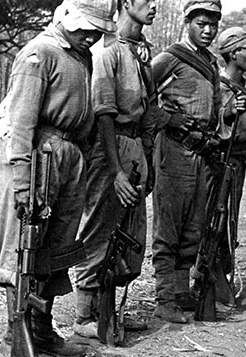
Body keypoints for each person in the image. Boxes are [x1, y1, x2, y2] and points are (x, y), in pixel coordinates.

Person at [0, 0, 116, 357]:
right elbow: (21, 123)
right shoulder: (39, 53)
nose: (91, 36)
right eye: (85, 27)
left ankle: (42, 329)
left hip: (69, 155)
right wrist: (24, 181)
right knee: (24, 248)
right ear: (66, 18)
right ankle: (16, 335)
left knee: (58, 247)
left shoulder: (82, 56)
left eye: (97, 30)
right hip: (39, 154)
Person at [73, 0, 157, 338]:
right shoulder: (107, 52)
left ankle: (109, 311)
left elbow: (149, 109)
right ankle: (83, 317)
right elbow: (104, 113)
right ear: (124, 3)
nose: (154, 7)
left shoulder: (142, 53)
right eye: (146, 0)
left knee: (130, 235)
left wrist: (146, 156)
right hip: (111, 148)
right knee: (98, 227)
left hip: (135, 148)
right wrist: (117, 169)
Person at [151, 0, 222, 323]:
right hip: (175, 151)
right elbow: (139, 98)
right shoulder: (171, 58)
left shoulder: (211, 64)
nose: (207, 30)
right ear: (187, 23)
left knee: (194, 227)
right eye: (201, 24)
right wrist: (168, 119)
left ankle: (181, 291)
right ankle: (164, 298)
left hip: (202, 153)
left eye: (213, 24)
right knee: (169, 225)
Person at [215, 26, 246, 301]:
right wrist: (229, 112)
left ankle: (223, 276)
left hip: (239, 161)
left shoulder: (245, 87)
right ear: (233, 53)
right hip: (222, 161)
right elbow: (213, 122)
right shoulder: (220, 87)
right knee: (217, 220)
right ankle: (210, 278)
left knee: (231, 220)